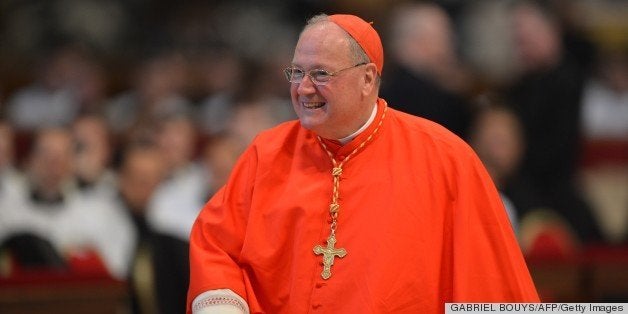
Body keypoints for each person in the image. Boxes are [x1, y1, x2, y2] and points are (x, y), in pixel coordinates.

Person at [187, 14, 539, 314]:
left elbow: (487, 281)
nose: (303, 88)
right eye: (297, 72)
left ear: (367, 78)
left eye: (321, 74)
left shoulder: (445, 158)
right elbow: (216, 244)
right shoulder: (267, 152)